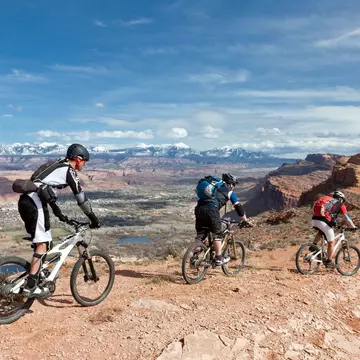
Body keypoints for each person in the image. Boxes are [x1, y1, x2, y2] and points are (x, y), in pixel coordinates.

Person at [18, 143, 101, 298]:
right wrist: (93, 218)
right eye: (84, 162)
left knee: (44, 242)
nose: (83, 165)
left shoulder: (56, 165)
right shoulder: (68, 170)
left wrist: (61, 216)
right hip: (34, 202)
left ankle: (37, 277)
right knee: (42, 244)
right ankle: (31, 286)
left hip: (25, 201)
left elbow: (43, 188)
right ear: (77, 159)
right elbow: (81, 199)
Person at [194, 173, 250, 266]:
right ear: (231, 184)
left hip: (199, 209)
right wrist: (245, 220)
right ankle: (219, 258)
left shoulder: (215, 186)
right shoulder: (229, 191)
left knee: (200, 235)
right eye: (234, 185)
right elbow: (238, 207)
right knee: (218, 234)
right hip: (211, 210)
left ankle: (194, 258)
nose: (233, 187)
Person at [311, 190, 356, 269]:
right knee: (331, 242)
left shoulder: (326, 198)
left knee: (321, 231)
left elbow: (329, 214)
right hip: (323, 222)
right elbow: (347, 218)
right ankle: (329, 262)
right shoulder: (340, 204)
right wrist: (353, 227)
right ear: (341, 198)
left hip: (314, 220)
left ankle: (313, 246)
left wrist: (335, 224)